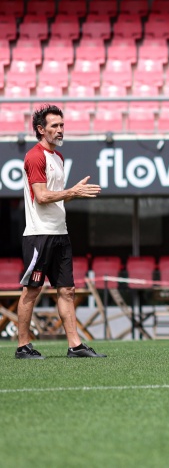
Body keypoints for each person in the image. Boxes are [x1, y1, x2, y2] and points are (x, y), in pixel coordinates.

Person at [15, 105, 105, 360]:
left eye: (61, 125)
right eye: (54, 126)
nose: (59, 130)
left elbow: (57, 199)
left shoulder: (59, 157)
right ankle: (23, 346)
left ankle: (75, 346)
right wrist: (72, 192)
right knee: (32, 290)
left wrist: (74, 195)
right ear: (41, 130)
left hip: (59, 233)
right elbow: (42, 197)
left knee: (67, 290)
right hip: (38, 235)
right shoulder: (35, 157)